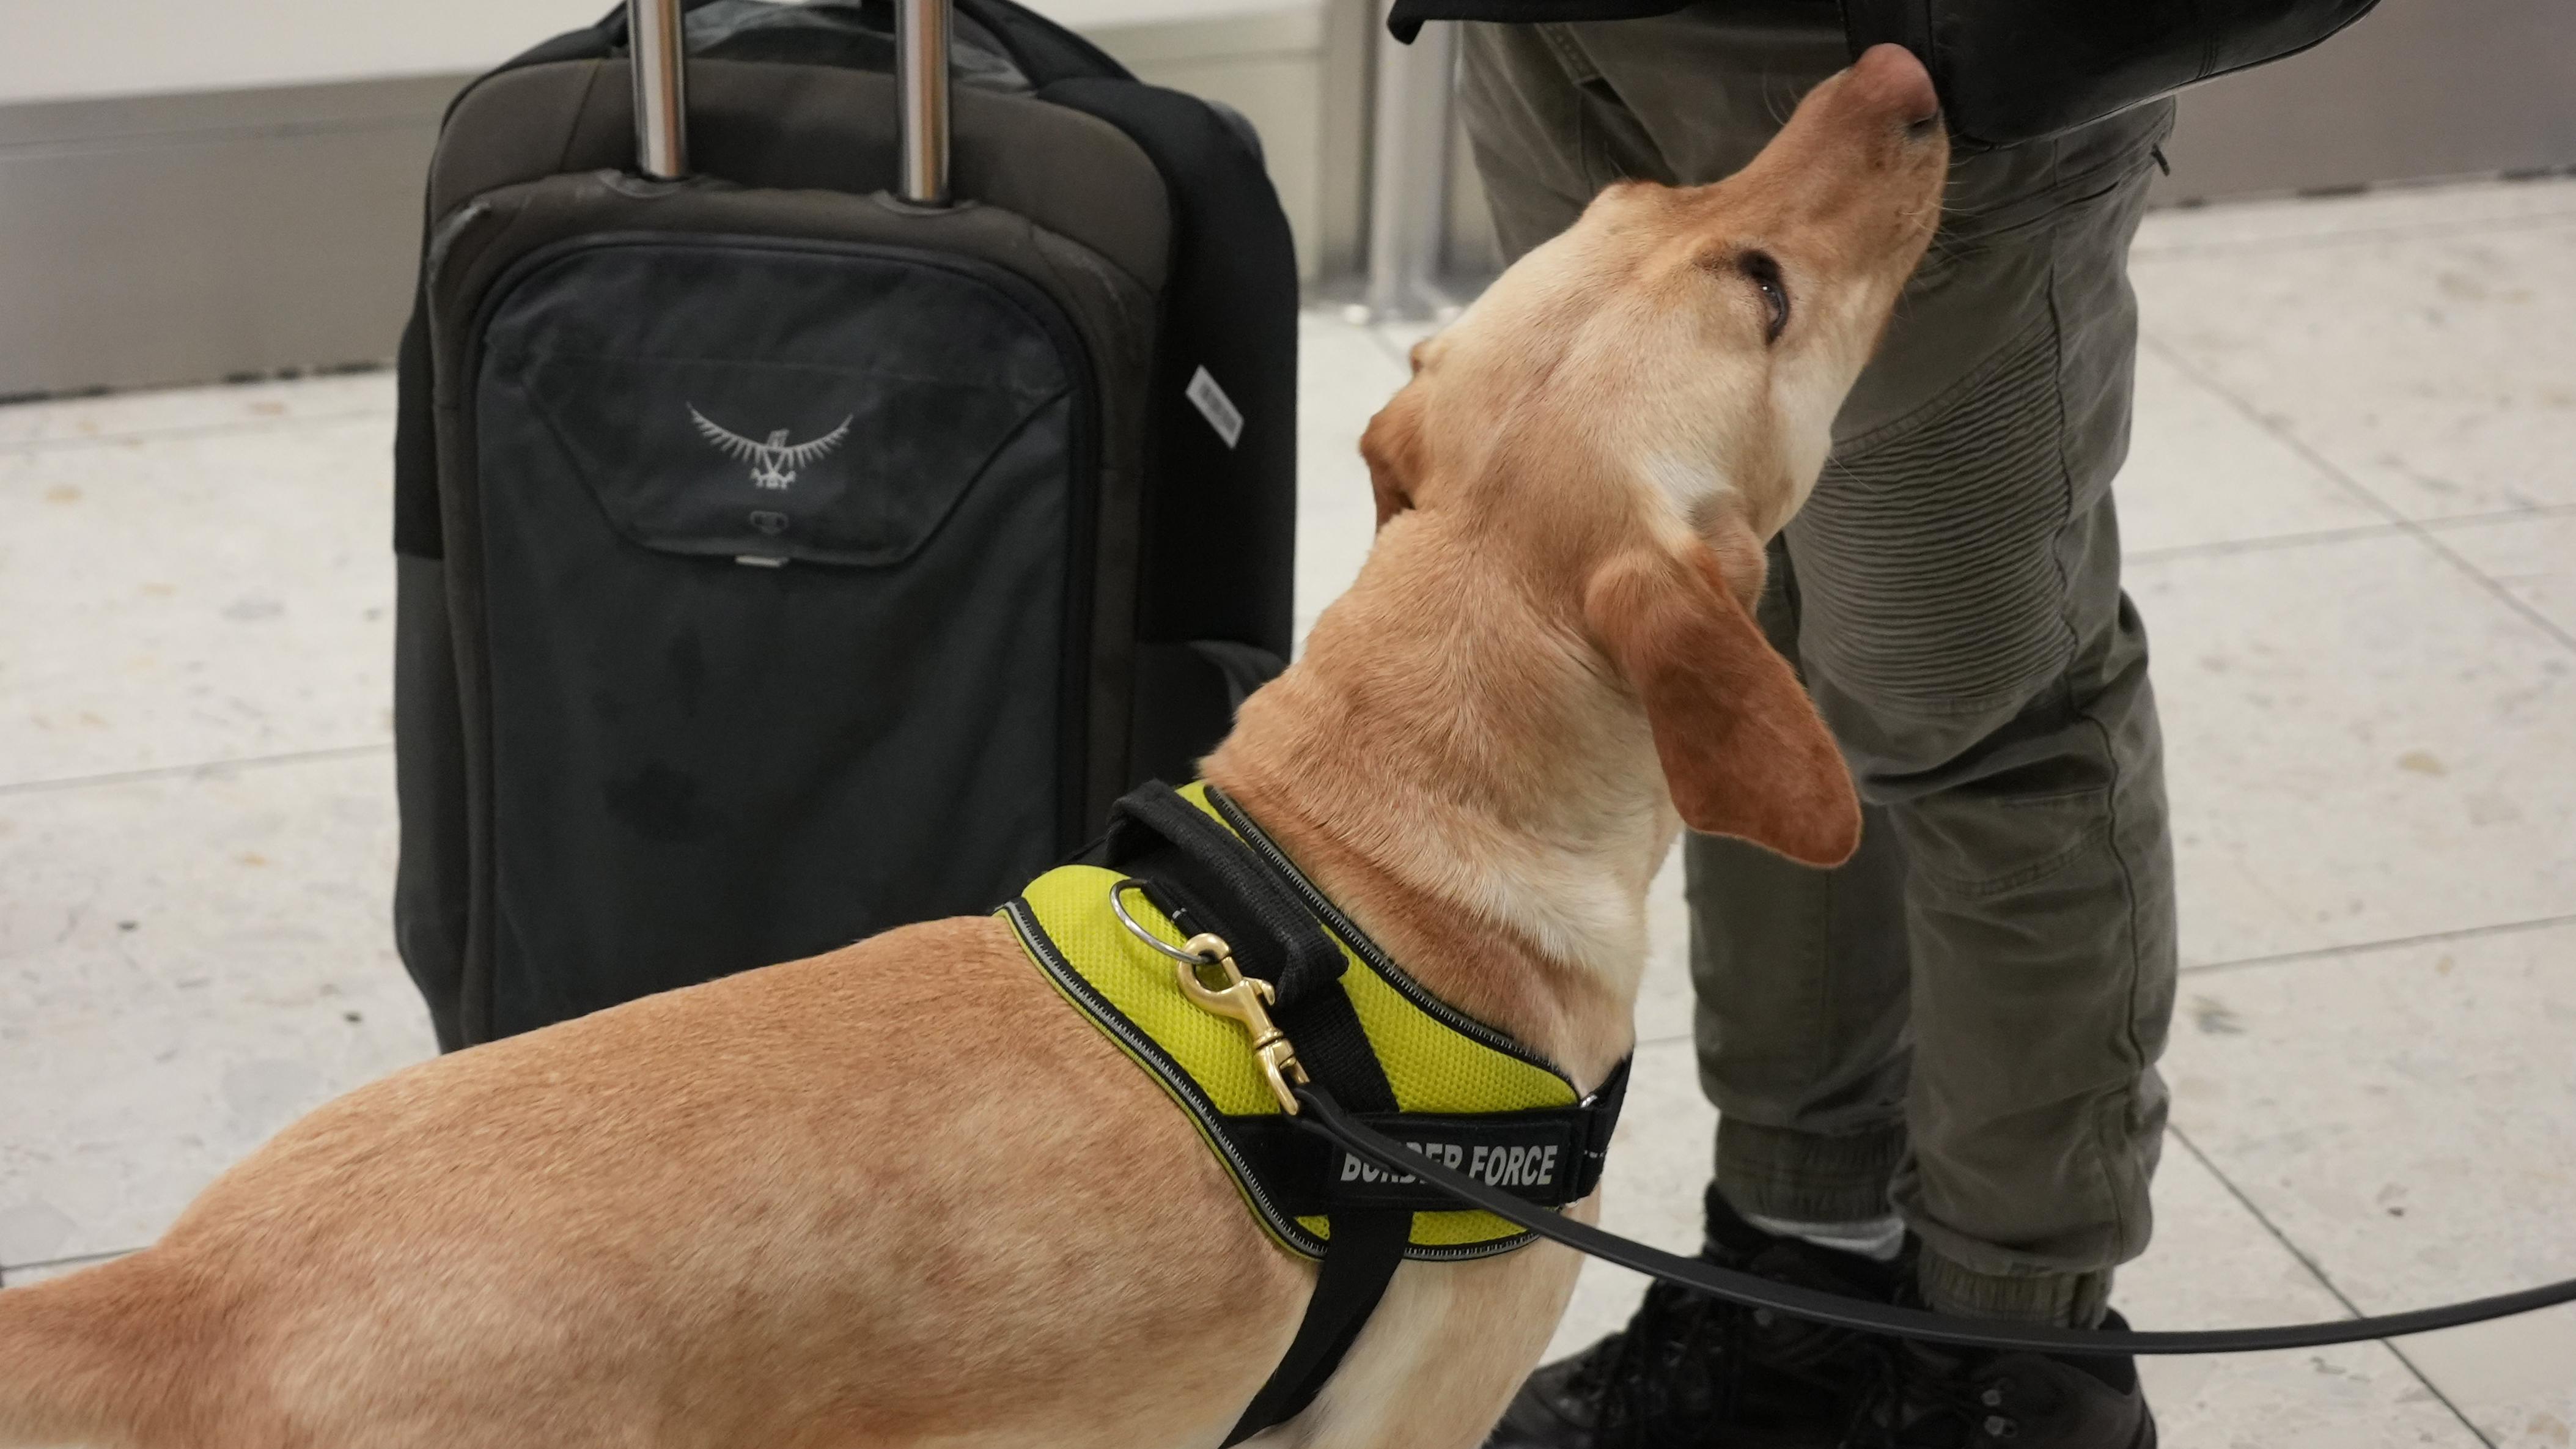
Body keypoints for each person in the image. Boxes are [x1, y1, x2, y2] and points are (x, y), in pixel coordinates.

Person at [1453, 6, 2179, 1447]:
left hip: (1882, 41)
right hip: (1549, 36)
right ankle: (1796, 1282)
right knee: (1727, 668)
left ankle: (2007, 1361)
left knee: (1974, 717)